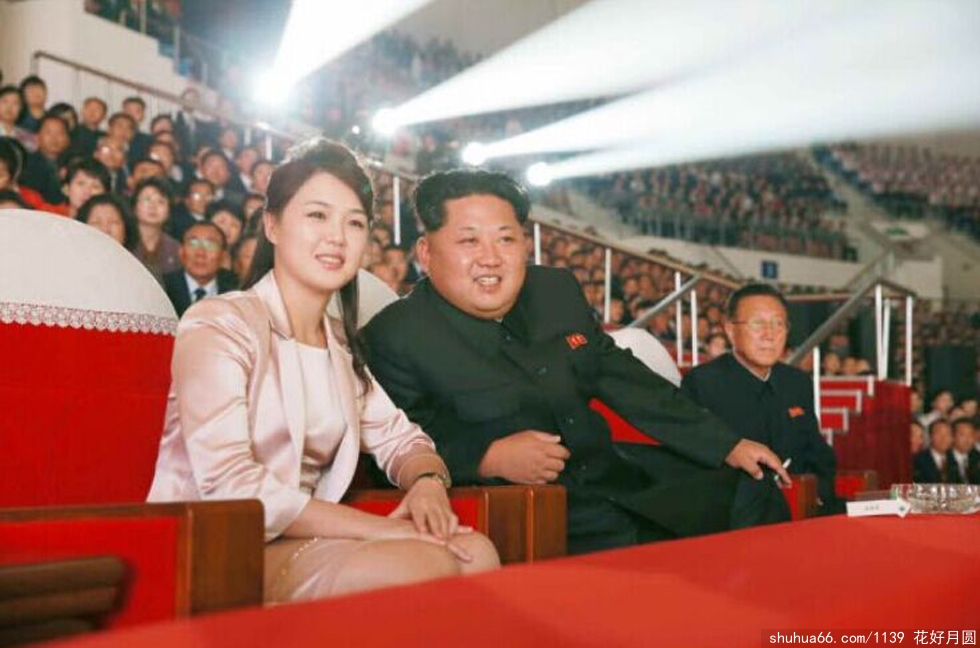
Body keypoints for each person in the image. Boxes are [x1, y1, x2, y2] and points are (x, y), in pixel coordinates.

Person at [363, 169, 790, 555]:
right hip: (526, 504)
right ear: (426, 252)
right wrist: (487, 457)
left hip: (610, 471)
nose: (490, 257)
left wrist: (726, 444)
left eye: (506, 239)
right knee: (641, 543)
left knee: (750, 488)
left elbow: (622, 376)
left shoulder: (555, 290)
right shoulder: (394, 336)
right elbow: (392, 446)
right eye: (469, 240)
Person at [148, 138, 498, 602]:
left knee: (477, 553)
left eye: (354, 222)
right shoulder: (219, 323)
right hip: (217, 544)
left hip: (299, 539)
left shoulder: (339, 347)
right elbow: (231, 485)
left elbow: (402, 441)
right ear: (272, 225)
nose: (337, 237)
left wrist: (428, 483)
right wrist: (378, 530)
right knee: (423, 564)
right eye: (317, 215)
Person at [681, 284, 843, 515]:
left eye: (778, 324)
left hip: (798, 510)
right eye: (757, 324)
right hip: (736, 516)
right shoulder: (703, 383)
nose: (769, 335)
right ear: (730, 330)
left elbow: (818, 455)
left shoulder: (796, 382)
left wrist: (818, 494)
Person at [163, 222, 238, 316]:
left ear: (223, 256)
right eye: (193, 243)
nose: (200, 253)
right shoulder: (163, 288)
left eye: (210, 245)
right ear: (181, 251)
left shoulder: (236, 293)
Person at [131, 176, 181, 283]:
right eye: (147, 200)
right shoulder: (123, 242)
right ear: (135, 207)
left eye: (161, 202)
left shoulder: (176, 249)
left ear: (169, 211)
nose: (153, 206)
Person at [949, 417, 980, 484]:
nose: (967, 439)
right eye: (962, 435)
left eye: (971, 435)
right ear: (952, 437)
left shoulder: (976, 457)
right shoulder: (945, 458)